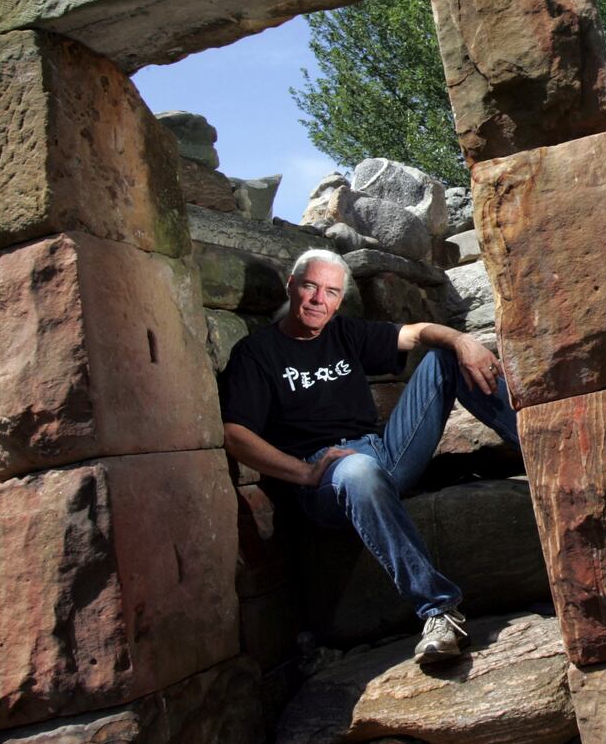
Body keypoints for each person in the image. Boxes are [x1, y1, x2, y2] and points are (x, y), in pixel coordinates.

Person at [220, 248, 518, 664]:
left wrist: (462, 339)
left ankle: (541, 447)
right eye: (310, 286)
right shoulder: (257, 353)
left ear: (339, 299)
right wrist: (305, 473)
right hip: (326, 479)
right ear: (292, 285)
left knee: (444, 357)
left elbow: (414, 334)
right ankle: (439, 611)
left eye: (330, 292)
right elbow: (235, 434)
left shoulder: (343, 332)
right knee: (357, 470)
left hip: (383, 453)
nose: (318, 299)